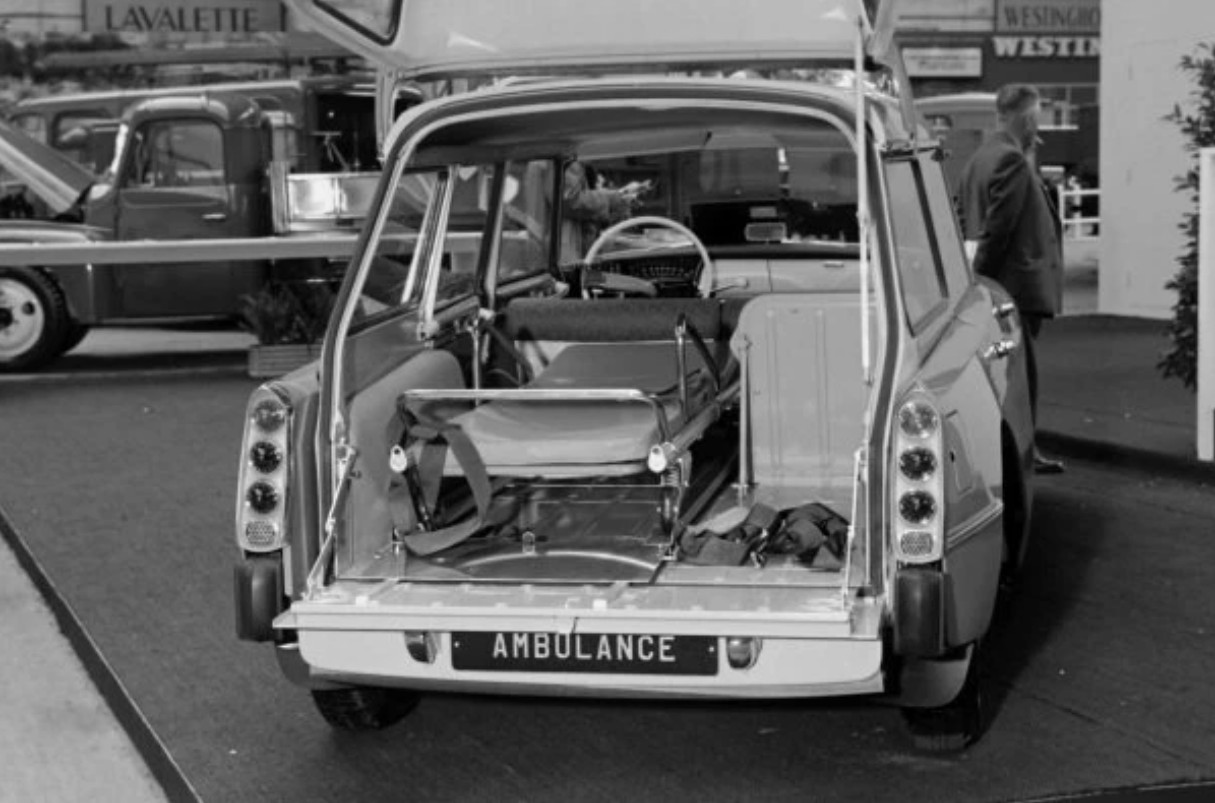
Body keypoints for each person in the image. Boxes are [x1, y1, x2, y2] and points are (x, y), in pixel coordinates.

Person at [957, 83, 1065, 475]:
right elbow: (998, 232)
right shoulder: (1011, 161)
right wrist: (979, 286)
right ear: (1029, 118)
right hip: (1014, 287)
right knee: (1022, 377)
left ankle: (1017, 452)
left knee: (1003, 375)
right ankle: (1025, 455)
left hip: (997, 286)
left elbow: (964, 217)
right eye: (1037, 118)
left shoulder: (980, 158)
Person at [560, 161, 650, 262]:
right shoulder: (568, 163)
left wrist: (620, 197)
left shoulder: (574, 165)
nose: (601, 180)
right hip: (566, 255)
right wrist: (615, 198)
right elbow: (570, 201)